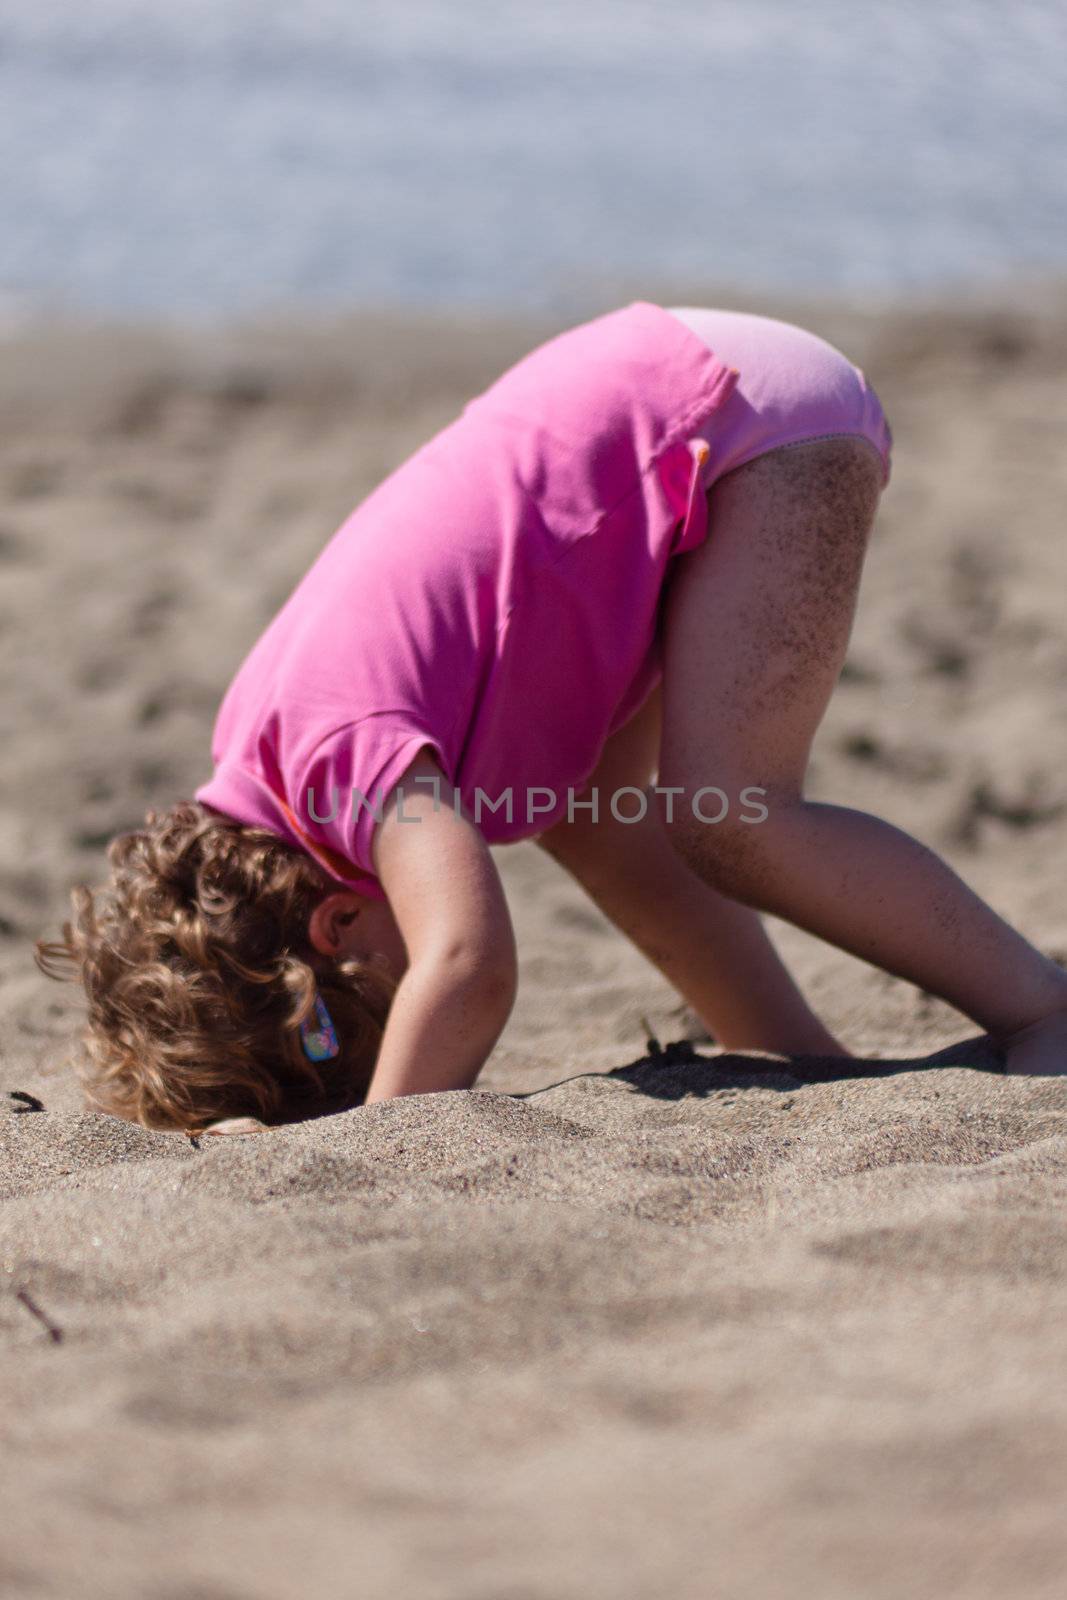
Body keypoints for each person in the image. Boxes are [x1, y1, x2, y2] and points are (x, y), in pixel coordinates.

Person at [35, 303, 1067, 1134]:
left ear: (337, 925)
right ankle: (802, 1055)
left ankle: (1039, 1006)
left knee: (733, 817)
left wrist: (381, 1141)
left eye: (358, 1023)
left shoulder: (335, 763)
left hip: (741, 432)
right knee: (602, 827)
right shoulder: (266, 750)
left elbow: (465, 963)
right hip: (670, 414)